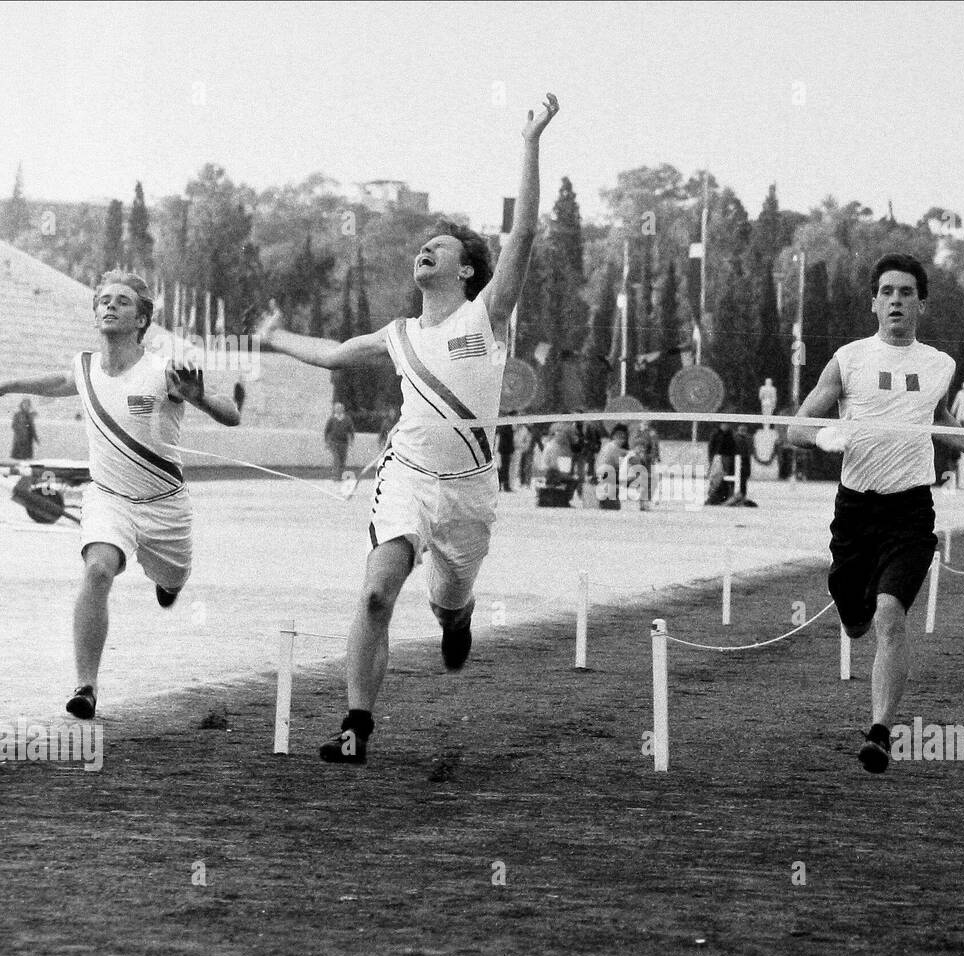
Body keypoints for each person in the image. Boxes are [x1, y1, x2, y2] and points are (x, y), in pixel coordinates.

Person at [255, 93, 560, 764]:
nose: (425, 251)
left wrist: (531, 141)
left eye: (440, 247)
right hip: (409, 479)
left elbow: (528, 235)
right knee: (373, 593)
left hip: (469, 495)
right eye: (422, 248)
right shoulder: (397, 334)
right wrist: (275, 336)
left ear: (468, 270)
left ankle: (459, 617)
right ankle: (355, 726)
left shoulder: (488, 318)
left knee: (449, 602)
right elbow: (334, 353)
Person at [786, 253, 964, 773]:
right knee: (855, 614)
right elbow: (793, 430)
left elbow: (939, 419)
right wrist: (827, 436)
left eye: (907, 293)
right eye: (887, 291)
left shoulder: (939, 364)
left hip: (910, 511)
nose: (896, 300)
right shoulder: (848, 360)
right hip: (855, 512)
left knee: (892, 615)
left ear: (921, 304)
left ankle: (881, 733)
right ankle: (853, 608)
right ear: (873, 302)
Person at [0, 270, 241, 719]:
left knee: (172, 577)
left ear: (142, 318)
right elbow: (54, 383)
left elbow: (232, 416)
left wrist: (199, 396)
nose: (110, 306)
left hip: (165, 506)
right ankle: (85, 686)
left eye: (123, 301)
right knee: (97, 571)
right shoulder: (85, 367)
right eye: (103, 300)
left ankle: (168, 585)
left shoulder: (162, 370)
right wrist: (7, 384)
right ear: (94, 313)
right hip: (109, 499)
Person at [595, 423, 630, 509]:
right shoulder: (615, 448)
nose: (623, 441)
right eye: (622, 438)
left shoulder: (607, 446)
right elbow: (620, 466)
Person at [706, 423, 738, 504]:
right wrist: (711, 458)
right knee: (716, 476)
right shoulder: (716, 433)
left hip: (728, 458)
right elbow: (711, 447)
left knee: (727, 476)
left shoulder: (731, 434)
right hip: (718, 457)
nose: (726, 425)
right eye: (724, 424)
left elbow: (734, 447)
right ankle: (713, 495)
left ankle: (726, 495)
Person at [323, 401, 355, 480]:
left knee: (342, 459)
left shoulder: (347, 419)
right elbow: (326, 431)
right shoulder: (332, 419)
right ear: (334, 410)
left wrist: (351, 440)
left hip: (344, 442)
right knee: (337, 459)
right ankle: (336, 476)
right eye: (337, 408)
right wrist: (327, 442)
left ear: (343, 409)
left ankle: (341, 476)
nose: (339, 410)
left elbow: (351, 431)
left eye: (340, 408)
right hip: (333, 442)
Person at [496, 413, 516, 492]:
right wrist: (511, 449)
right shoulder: (508, 427)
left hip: (503, 450)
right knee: (504, 468)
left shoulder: (505, 427)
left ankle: (502, 485)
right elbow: (508, 441)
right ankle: (504, 485)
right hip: (505, 451)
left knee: (503, 468)